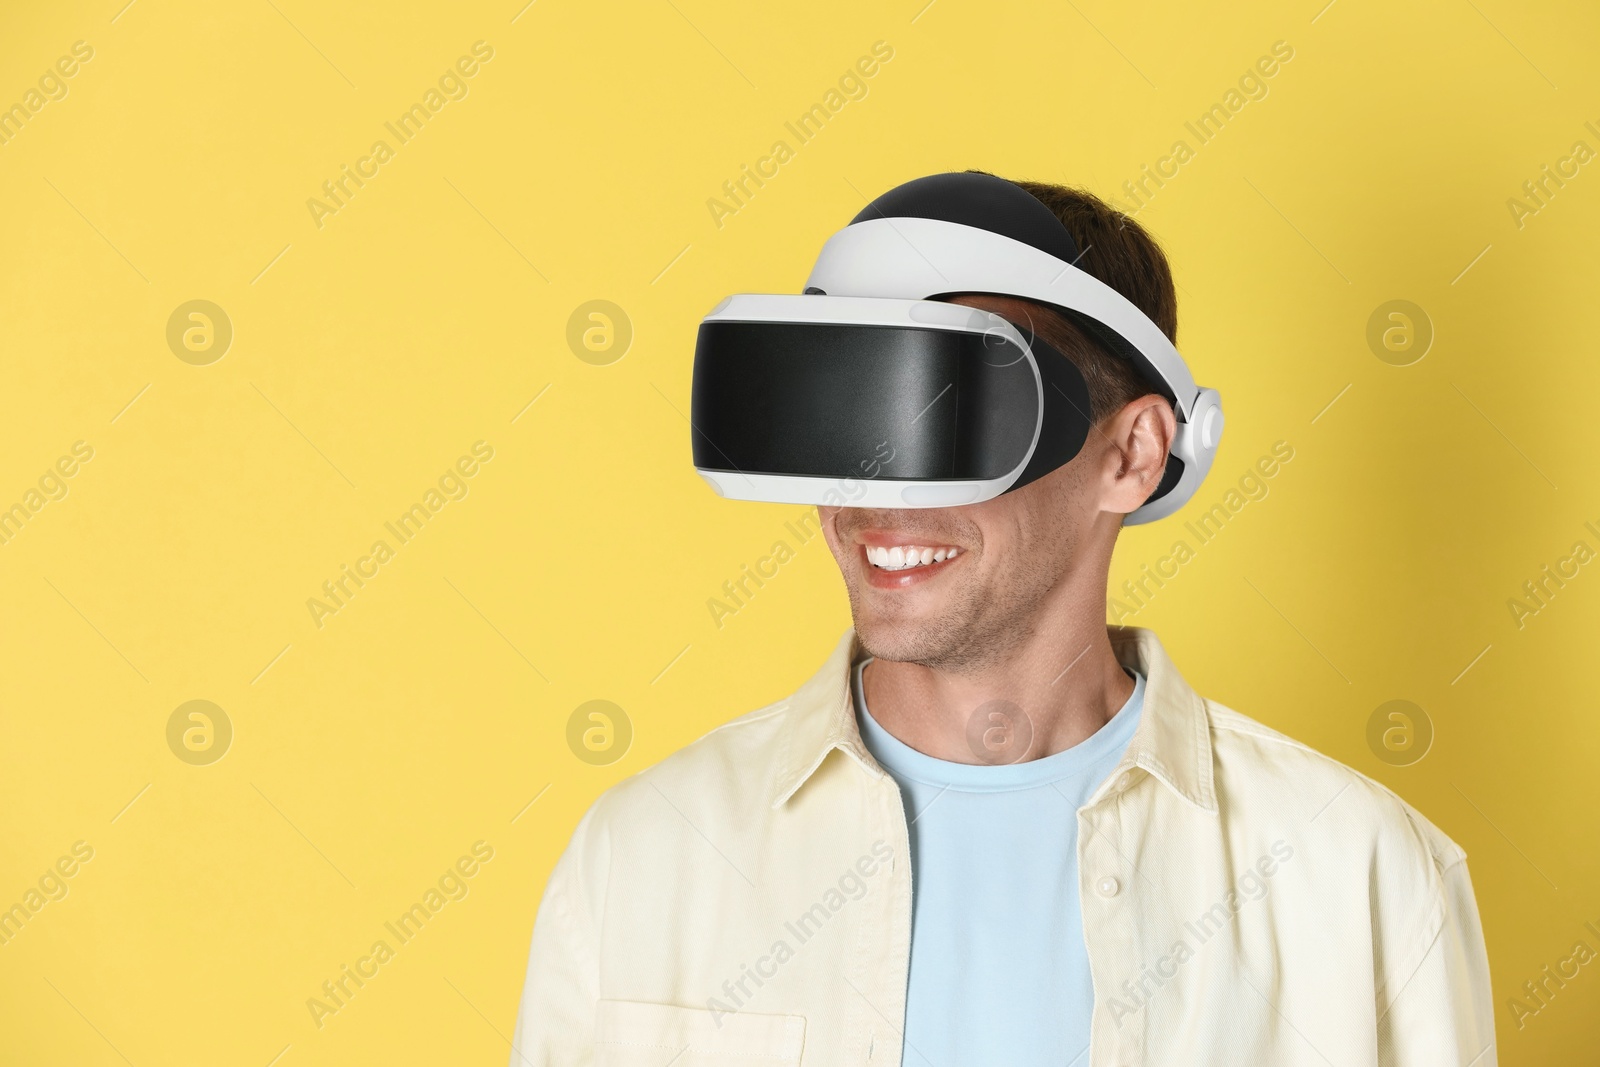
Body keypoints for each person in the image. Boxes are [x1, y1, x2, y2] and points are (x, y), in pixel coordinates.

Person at [510, 173, 1496, 1066]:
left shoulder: (1354, 875)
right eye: (842, 415)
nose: (872, 499)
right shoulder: (646, 854)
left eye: (944, 407)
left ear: (1132, 453)